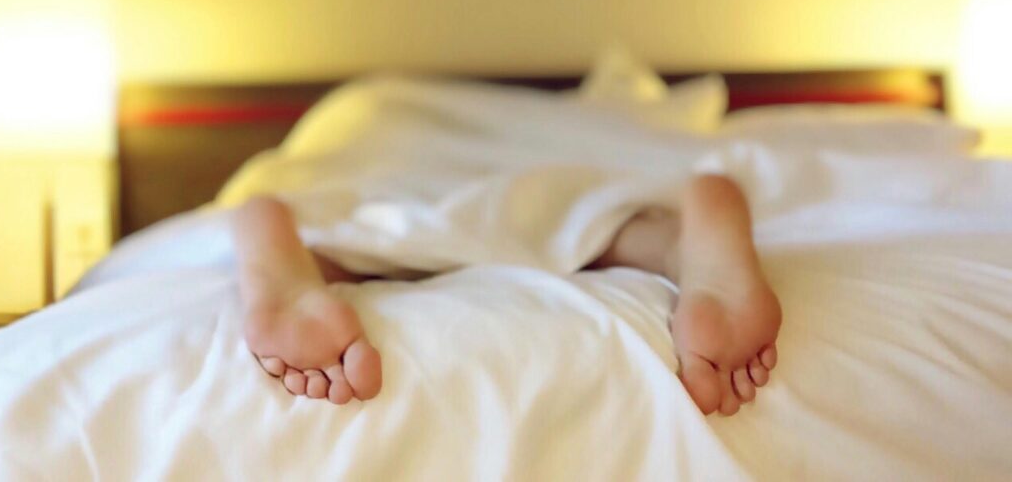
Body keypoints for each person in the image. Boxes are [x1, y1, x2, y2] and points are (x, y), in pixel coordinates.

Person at [233, 173, 781, 417]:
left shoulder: (376, 124)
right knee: (605, 227)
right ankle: (683, 242)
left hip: (386, 196)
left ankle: (284, 252)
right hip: (565, 188)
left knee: (359, 237)